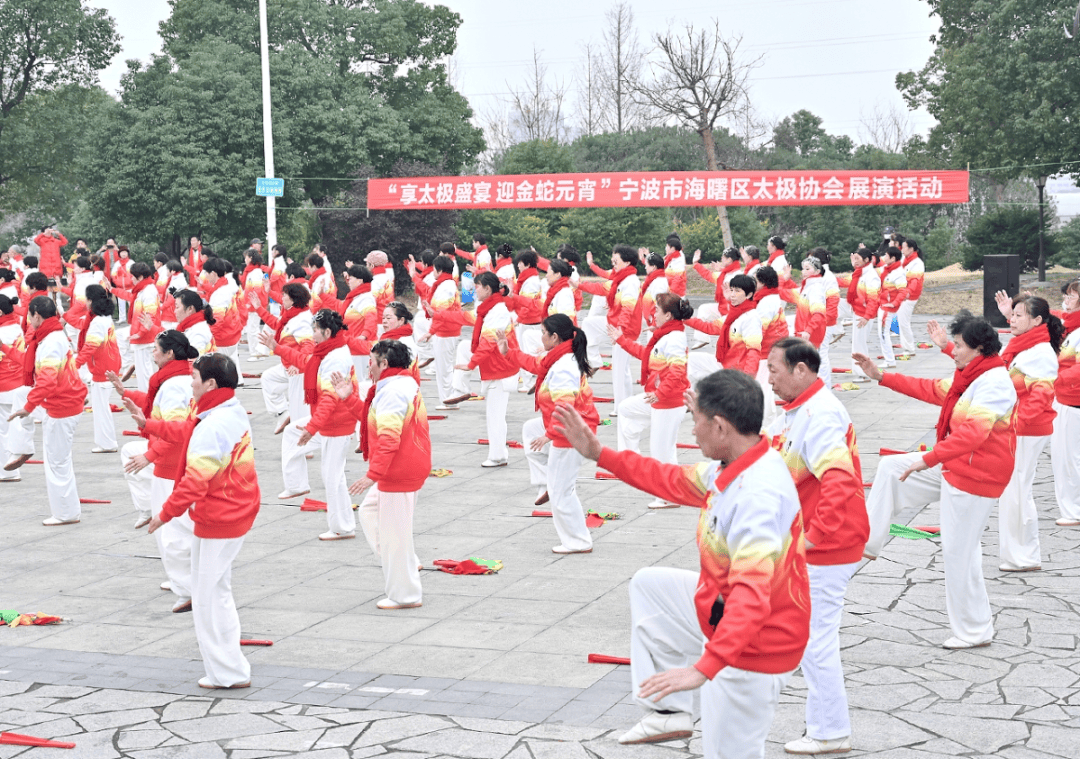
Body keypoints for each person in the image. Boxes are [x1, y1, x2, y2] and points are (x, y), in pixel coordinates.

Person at [552, 370, 809, 757]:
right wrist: (599, 454)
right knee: (650, 585)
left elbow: (751, 595)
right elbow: (667, 478)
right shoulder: (734, 464)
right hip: (727, 613)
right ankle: (668, 714)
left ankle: (687, 696)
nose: (692, 432)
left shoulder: (758, 495)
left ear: (721, 426)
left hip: (757, 647)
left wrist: (704, 668)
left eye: (696, 421)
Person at [855, 311, 1016, 649]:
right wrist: (880, 375)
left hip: (976, 476)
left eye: (957, 346)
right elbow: (929, 388)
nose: (951, 351)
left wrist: (927, 459)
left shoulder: (994, 383)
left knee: (960, 553)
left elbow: (973, 435)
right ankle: (868, 543)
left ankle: (974, 631)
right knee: (891, 469)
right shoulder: (969, 377)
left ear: (978, 349)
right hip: (956, 465)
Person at [766, 338, 868, 756]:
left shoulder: (820, 413)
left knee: (816, 640)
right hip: (811, 541)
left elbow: (840, 481)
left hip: (827, 545)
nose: (768, 376)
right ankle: (822, 726)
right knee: (805, 637)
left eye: (774, 368)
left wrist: (813, 537)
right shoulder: (797, 410)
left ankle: (829, 732)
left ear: (801, 370)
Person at [147, 352, 259, 688]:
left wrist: (165, 513)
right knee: (215, 591)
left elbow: (196, 481)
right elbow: (185, 430)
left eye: (194, 378)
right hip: (230, 510)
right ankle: (228, 667)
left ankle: (227, 672)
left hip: (221, 515)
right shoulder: (227, 410)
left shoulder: (214, 424)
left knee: (208, 598)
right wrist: (148, 423)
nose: (189, 384)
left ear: (210, 383)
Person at [331, 339, 431, 609]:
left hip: (399, 471)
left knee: (395, 535)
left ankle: (405, 594)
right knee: (370, 513)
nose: (368, 367)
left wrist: (371, 475)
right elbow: (371, 421)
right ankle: (404, 561)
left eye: (371, 362)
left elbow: (388, 438)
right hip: (402, 467)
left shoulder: (392, 391)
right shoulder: (398, 384)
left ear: (384, 363)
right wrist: (348, 398)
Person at [500, 314, 599, 553]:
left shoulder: (564, 366)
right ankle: (544, 482)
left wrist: (550, 435)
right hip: (569, 429)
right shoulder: (557, 357)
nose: (540, 336)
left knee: (561, 492)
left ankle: (578, 541)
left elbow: (565, 407)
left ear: (555, 337)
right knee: (529, 429)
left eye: (543, 332)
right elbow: (535, 364)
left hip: (571, 433)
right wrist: (509, 351)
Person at [993, 293, 1061, 571]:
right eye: (1013, 314)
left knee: (1018, 488)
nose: (1012, 319)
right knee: (1014, 489)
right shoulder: (1023, 345)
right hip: (1017, 426)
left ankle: (1025, 555)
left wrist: (1012, 424)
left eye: (1019, 315)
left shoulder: (1041, 353)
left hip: (1027, 429)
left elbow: (1039, 399)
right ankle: (1016, 553)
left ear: (1037, 320)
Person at [609, 293, 692, 509]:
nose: (653, 312)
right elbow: (646, 354)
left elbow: (677, 371)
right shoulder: (664, 335)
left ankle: (669, 495)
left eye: (657, 309)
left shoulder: (674, 338)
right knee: (626, 409)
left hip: (669, 401)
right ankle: (631, 461)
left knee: (661, 450)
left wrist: (661, 393)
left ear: (668, 315)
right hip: (660, 398)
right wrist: (621, 339)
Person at [9, 296, 87, 525]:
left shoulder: (51, 341)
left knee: (57, 462)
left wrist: (30, 407)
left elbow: (48, 380)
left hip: (63, 405)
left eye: (29, 316)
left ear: (36, 315)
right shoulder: (49, 336)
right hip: (63, 401)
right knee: (20, 394)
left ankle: (66, 513)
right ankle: (21, 447)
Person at [453, 271, 519, 467]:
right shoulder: (486, 307)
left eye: (477, 286)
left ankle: (498, 456)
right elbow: (466, 317)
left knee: (495, 416)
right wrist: (439, 316)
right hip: (494, 364)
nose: (474, 290)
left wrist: (471, 365)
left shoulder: (498, 310)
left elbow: (489, 342)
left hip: (502, 368)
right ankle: (460, 389)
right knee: (464, 346)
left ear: (488, 288)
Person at [578, 245, 640, 410]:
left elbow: (628, 308)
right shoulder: (619, 279)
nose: (613, 264)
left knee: (620, 371)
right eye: (612, 261)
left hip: (624, 330)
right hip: (613, 323)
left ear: (626, 262)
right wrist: (579, 285)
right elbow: (599, 288)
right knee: (589, 323)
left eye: (616, 261)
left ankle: (621, 407)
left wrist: (620, 330)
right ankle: (595, 361)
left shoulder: (631, 281)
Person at [686, 274, 761, 388]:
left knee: (693, 367)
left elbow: (753, 351)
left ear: (749, 294)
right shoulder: (733, 314)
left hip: (737, 372)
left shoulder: (751, 318)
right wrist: (684, 319)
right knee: (690, 360)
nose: (732, 295)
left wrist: (748, 379)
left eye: (737, 291)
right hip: (724, 363)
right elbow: (710, 327)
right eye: (731, 290)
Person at [75, 286, 120, 453]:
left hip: (103, 370)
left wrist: (76, 364)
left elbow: (89, 347)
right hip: (107, 367)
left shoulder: (97, 322)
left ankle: (107, 443)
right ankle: (106, 442)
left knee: (101, 411)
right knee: (102, 409)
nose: (85, 303)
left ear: (91, 301)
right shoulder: (105, 318)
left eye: (86, 299)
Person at [419, 255, 464, 410]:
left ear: (438, 270)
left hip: (447, 331)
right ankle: (449, 398)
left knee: (444, 369)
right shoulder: (444, 284)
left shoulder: (446, 286)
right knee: (443, 368)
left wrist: (431, 331)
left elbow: (442, 313)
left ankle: (449, 399)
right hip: (445, 330)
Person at [0, 294, 34, 481]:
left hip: (4, 386)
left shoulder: (2, 333)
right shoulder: (14, 327)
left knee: (4, 432)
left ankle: (8, 472)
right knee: (8, 430)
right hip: (16, 383)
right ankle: (9, 470)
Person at [114, 262, 163, 393]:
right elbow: (129, 296)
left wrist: (140, 333)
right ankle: (129, 365)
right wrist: (112, 289)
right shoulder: (142, 290)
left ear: (140, 277)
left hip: (145, 337)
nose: (131, 279)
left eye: (133, 276)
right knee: (142, 371)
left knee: (144, 372)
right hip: (139, 333)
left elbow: (150, 318)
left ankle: (147, 397)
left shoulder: (148, 291)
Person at [837, 249, 880, 381]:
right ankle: (836, 329)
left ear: (866, 260)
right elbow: (845, 282)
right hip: (855, 309)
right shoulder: (859, 273)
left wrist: (867, 317)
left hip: (863, 315)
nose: (855, 261)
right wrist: (825, 278)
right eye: (854, 258)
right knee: (835, 303)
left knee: (858, 345)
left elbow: (874, 299)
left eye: (857, 258)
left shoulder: (871, 276)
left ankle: (863, 374)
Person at [689, 247, 742, 351]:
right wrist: (696, 264)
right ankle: (702, 338)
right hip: (722, 309)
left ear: (730, 260)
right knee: (704, 309)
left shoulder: (737, 275)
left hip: (732, 313)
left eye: (723, 257)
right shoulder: (725, 273)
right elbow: (708, 275)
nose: (721, 258)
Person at [754, 266, 788, 425]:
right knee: (764, 387)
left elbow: (760, 328)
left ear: (763, 282)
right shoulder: (769, 297)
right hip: (771, 347)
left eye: (756, 280)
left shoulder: (766, 301)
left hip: (767, 349)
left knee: (764, 387)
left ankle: (767, 424)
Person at [507, 250, 545, 394]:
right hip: (527, 320)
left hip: (530, 321)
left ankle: (530, 381)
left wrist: (518, 319)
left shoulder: (531, 281)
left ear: (527, 264)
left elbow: (528, 305)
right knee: (528, 351)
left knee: (527, 352)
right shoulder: (526, 279)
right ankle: (531, 380)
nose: (518, 266)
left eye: (520, 263)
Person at [202, 258, 243, 372]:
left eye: (206, 273)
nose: (205, 276)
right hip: (230, 335)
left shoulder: (220, 293)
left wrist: (206, 338)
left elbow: (216, 321)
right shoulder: (224, 288)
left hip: (223, 339)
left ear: (213, 273)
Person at [876, 246, 908, 369]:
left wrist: (894, 303)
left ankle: (890, 360)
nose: (884, 257)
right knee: (882, 334)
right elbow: (878, 263)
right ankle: (889, 359)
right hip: (883, 305)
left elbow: (903, 292)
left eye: (887, 256)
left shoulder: (898, 273)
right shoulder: (887, 268)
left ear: (893, 258)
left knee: (883, 334)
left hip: (887, 308)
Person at [240, 249, 270, 361]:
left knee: (253, 329)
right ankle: (256, 352)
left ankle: (256, 353)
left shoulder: (255, 272)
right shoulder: (252, 271)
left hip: (253, 305)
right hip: (252, 304)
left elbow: (257, 290)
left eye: (246, 257)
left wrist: (249, 303)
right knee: (253, 329)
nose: (245, 259)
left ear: (251, 258)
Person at [898, 238, 924, 355]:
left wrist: (907, 293)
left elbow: (914, 282)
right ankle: (906, 346)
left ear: (911, 249)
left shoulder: (917, 263)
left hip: (910, 296)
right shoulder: (905, 259)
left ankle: (910, 348)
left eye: (903, 247)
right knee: (901, 321)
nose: (901, 249)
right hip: (903, 294)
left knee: (904, 322)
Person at [175, 290, 217, 356]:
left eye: (177, 307)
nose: (175, 311)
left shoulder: (198, 333)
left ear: (190, 309)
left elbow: (196, 362)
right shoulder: (191, 326)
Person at [541, 258, 577, 323]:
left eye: (548, 272)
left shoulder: (564, 293)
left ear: (557, 274)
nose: (546, 276)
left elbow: (565, 323)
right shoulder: (555, 291)